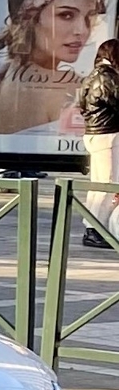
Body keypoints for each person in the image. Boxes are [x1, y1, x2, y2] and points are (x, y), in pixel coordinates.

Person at [0, 0, 106, 140]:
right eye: (66, 15)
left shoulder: (2, 75)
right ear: (31, 20)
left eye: (90, 16)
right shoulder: (71, 87)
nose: (82, 30)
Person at [79, 38, 119, 247]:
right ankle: (93, 230)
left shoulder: (92, 76)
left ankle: (94, 227)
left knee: (99, 184)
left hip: (94, 133)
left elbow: (81, 105)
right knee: (107, 184)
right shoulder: (108, 77)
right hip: (108, 134)